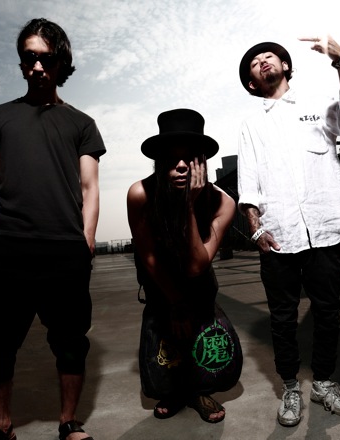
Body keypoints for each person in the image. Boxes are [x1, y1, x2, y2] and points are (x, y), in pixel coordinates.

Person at [0, 18, 106, 440]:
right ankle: (2, 426)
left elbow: (90, 188)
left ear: (61, 62)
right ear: (21, 62)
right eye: (29, 57)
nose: (37, 66)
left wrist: (85, 242)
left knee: (70, 342)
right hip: (6, 247)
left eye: (46, 58)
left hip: (64, 249)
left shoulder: (81, 124)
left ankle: (68, 422)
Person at [236, 36, 340, 427]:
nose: (263, 60)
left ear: (285, 66)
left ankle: (324, 384)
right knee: (282, 318)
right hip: (278, 236)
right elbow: (248, 182)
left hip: (323, 231)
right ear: (252, 83)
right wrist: (256, 230)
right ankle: (291, 386)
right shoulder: (251, 124)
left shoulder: (316, 105)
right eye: (255, 62)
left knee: (328, 312)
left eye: (270, 56)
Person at [127, 109, 237, 424]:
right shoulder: (140, 194)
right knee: (162, 369)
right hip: (160, 288)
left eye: (189, 158)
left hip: (200, 290)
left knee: (211, 357)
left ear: (202, 163)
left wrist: (189, 204)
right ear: (158, 162)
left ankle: (201, 391)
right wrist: (174, 304)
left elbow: (195, 267)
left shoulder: (222, 202)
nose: (180, 166)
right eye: (171, 159)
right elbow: (148, 257)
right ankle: (175, 391)